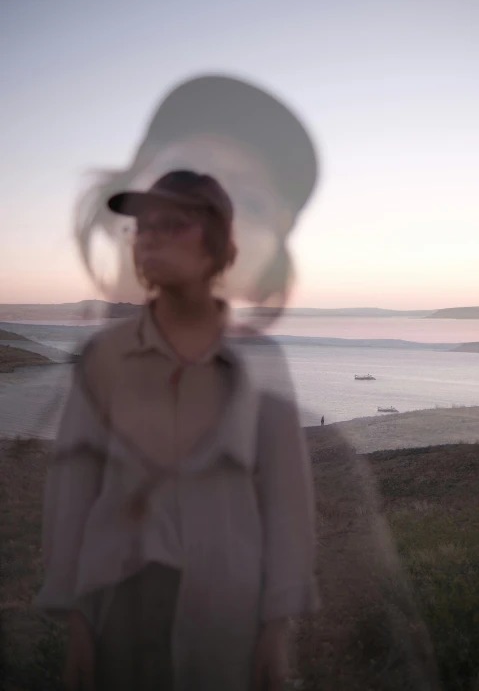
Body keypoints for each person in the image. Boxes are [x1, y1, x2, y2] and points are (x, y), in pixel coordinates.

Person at [36, 77, 320, 691]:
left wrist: (276, 633)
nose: (150, 235)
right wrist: (77, 629)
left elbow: (287, 501)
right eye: (143, 225)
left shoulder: (261, 361)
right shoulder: (101, 357)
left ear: (218, 243)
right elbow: (71, 495)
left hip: (228, 618)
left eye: (174, 223)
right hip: (118, 611)